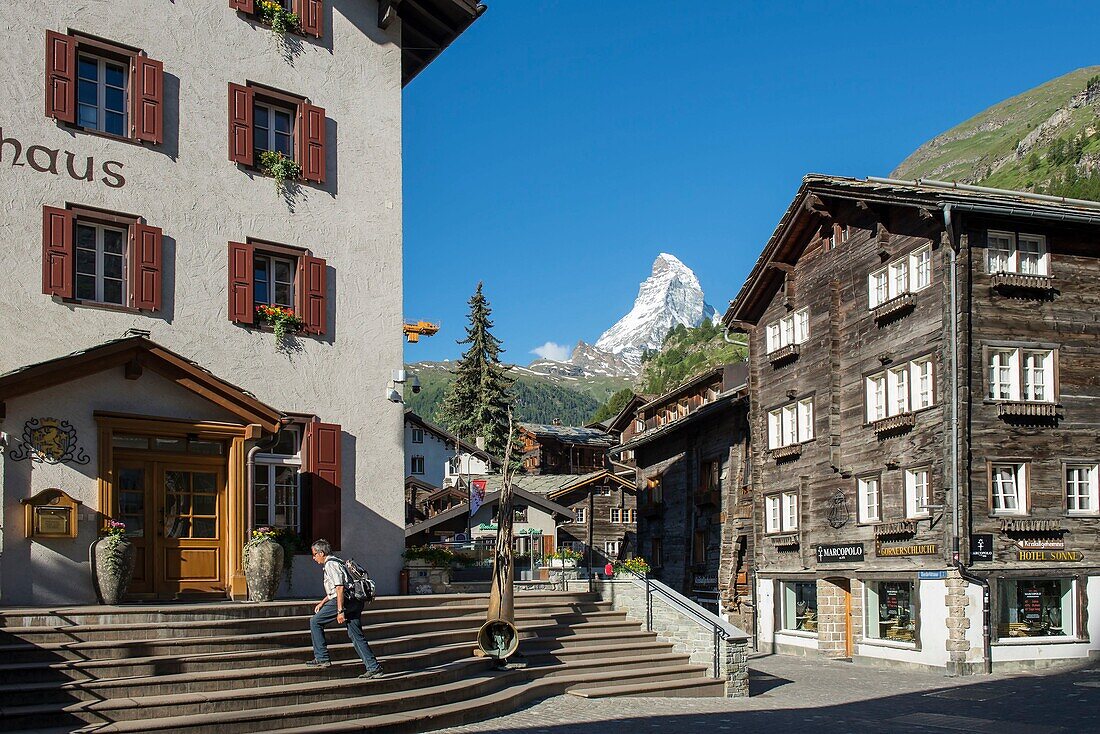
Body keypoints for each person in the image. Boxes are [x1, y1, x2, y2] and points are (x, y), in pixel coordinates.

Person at [306, 539, 383, 679]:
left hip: (344, 601)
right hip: (355, 601)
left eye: (315, 554)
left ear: (321, 553)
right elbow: (338, 587)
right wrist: (323, 602)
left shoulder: (330, 564)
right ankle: (374, 668)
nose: (314, 557)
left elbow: (340, 587)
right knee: (356, 635)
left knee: (315, 622)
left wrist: (340, 611)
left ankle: (322, 658)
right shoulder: (338, 562)